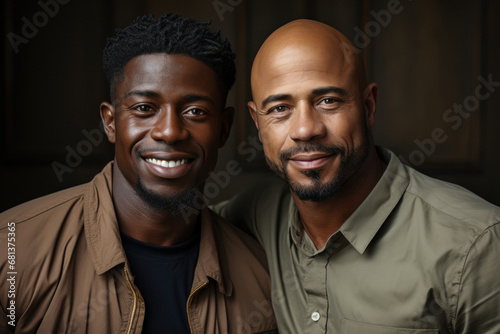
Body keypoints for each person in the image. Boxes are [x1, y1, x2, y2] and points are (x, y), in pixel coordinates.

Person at [214, 19, 500, 333]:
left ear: (368, 105)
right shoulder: (256, 214)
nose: (305, 129)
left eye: (328, 101)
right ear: (257, 122)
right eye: (280, 108)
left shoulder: (476, 245)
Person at [0, 14, 277, 334]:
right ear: (110, 122)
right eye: (145, 108)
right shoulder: (12, 253)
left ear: (223, 129)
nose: (170, 132)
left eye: (195, 112)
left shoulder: (262, 274)